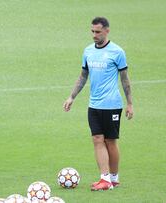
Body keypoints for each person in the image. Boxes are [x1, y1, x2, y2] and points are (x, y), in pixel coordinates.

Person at [63, 17, 134, 191]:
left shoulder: (117, 52)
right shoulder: (88, 51)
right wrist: (72, 97)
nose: (94, 35)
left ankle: (113, 178)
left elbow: (125, 80)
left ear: (107, 31)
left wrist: (130, 103)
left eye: (98, 32)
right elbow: (83, 76)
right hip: (93, 105)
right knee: (97, 139)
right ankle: (104, 178)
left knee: (110, 141)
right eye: (92, 31)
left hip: (111, 105)